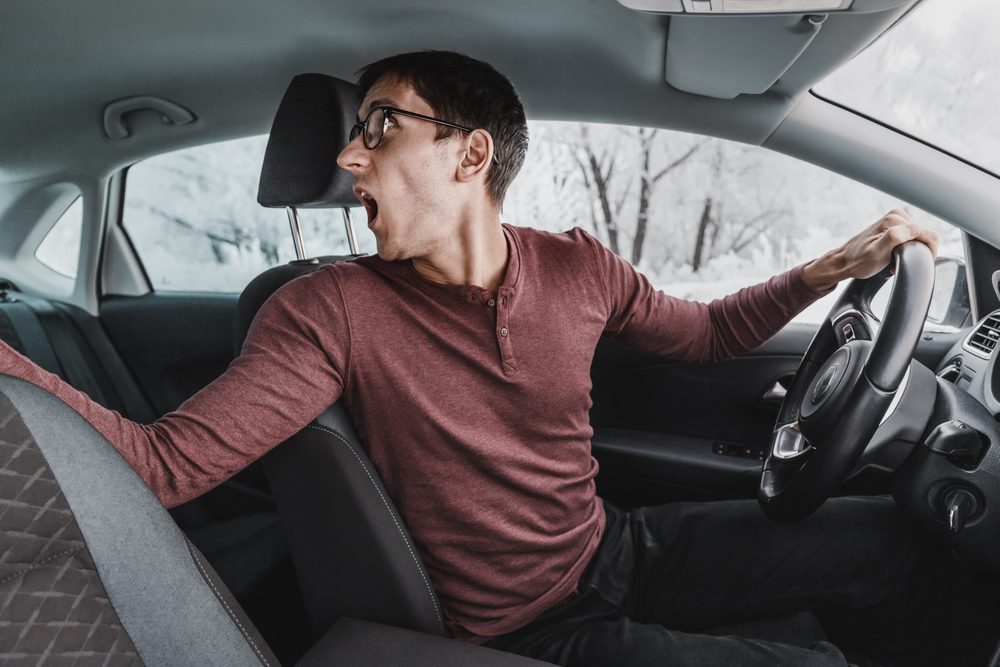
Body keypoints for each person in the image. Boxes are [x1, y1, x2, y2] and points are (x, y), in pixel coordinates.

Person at [0, 51, 992, 665]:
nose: (349, 161)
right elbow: (162, 466)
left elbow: (709, 337)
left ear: (470, 158)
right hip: (523, 627)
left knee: (885, 539)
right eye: (351, 141)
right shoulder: (325, 310)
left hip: (611, 550)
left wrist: (828, 266)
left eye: (379, 133)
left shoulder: (577, 266)